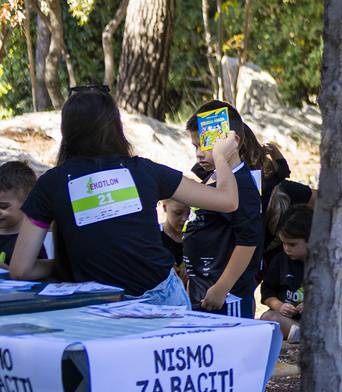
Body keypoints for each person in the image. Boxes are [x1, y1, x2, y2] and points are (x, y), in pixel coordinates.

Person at [11, 86, 240, 306]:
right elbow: (227, 201)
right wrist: (220, 156)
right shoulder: (144, 171)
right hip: (162, 300)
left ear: (66, 132)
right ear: (116, 128)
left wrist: (66, 265)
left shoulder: (52, 183)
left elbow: (21, 270)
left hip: (98, 306)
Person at [181, 100, 268, 317]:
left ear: (232, 141)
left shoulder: (242, 184)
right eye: (195, 146)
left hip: (228, 298)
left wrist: (223, 287)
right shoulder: (212, 177)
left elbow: (248, 241)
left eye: (206, 145)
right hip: (203, 289)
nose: (199, 154)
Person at [260, 204, 342, 342]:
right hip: (290, 320)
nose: (286, 248)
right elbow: (267, 293)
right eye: (283, 243)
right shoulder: (280, 261)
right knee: (267, 318)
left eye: (292, 244)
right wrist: (279, 306)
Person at [0, 160, 49, 273]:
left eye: (3, 206)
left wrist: (5, 270)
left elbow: (35, 277)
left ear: (26, 204)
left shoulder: (30, 242)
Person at [158, 198, 188, 270]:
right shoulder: (155, 239)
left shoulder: (193, 236)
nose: (185, 218)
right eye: (178, 213)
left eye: (189, 213)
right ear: (165, 208)